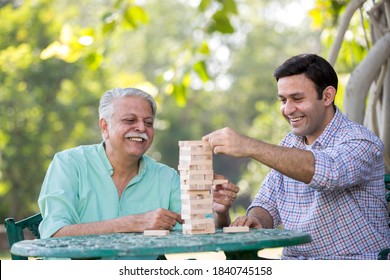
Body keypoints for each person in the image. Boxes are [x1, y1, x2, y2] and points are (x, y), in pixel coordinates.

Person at [202, 54, 390, 260]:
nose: (288, 109)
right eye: (283, 100)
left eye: (297, 98)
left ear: (327, 96)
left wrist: (248, 145)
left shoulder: (362, 141)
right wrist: (255, 220)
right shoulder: (289, 144)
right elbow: (266, 203)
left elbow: (327, 173)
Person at [38, 87, 238, 238]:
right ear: (105, 127)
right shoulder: (69, 164)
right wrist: (133, 222)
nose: (141, 128)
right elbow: (54, 233)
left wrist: (219, 212)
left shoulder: (166, 177)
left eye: (148, 122)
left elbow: (200, 228)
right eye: (130, 120)